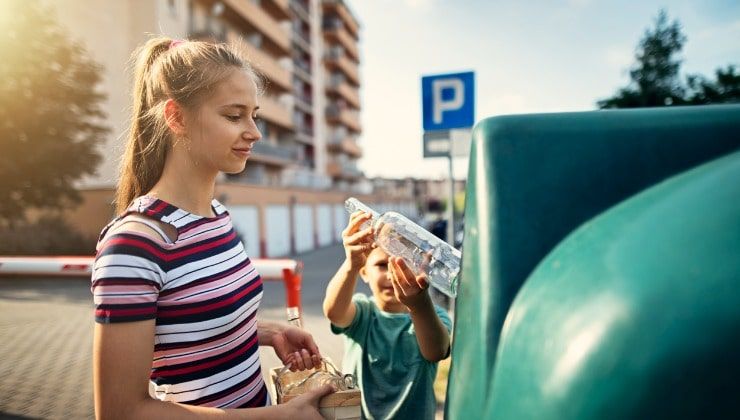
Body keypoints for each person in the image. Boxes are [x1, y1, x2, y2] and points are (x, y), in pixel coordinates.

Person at [91, 37, 334, 419]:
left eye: (254, 115)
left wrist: (268, 334)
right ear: (176, 117)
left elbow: (190, 326)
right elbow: (121, 411)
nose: (254, 132)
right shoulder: (135, 243)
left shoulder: (216, 216)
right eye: (234, 116)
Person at [322, 211, 453, 419]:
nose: (392, 273)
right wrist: (351, 264)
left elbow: (436, 351)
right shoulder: (362, 313)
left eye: (405, 264)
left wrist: (419, 304)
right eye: (382, 265)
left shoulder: (434, 316)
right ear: (364, 272)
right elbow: (334, 312)